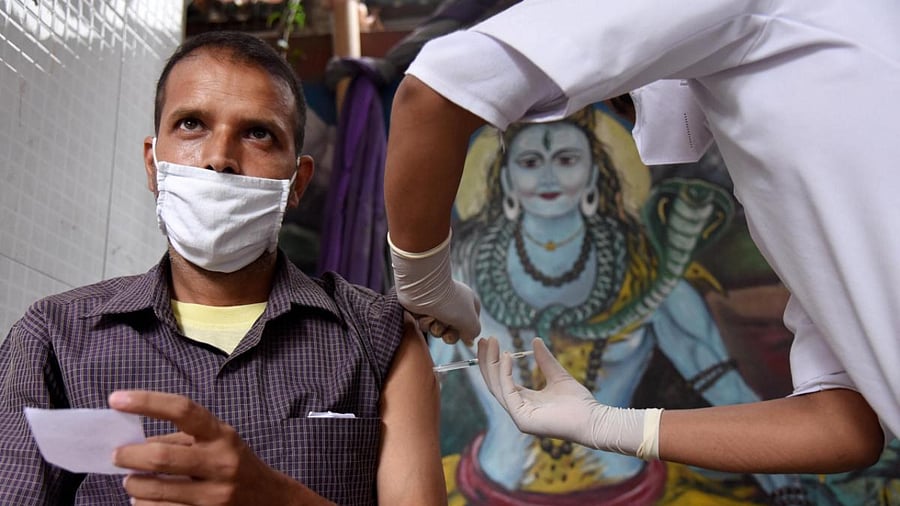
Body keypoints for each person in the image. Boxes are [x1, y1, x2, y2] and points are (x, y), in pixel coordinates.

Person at [384, 0, 895, 476]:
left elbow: (437, 90)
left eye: (566, 157)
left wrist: (424, 283)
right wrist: (604, 425)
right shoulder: (791, 160)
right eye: (529, 160)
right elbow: (842, 424)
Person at [0, 31, 446, 505]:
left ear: (298, 182)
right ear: (153, 165)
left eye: (258, 133)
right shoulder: (54, 339)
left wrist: (276, 499)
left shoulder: (379, 340)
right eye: (192, 124)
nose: (219, 159)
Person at [433, 106, 804, 503]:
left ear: (594, 174)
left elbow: (725, 388)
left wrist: (785, 487)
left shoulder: (647, 280)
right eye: (529, 161)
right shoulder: (459, 279)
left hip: (633, 488)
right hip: (486, 486)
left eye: (566, 159)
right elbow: (422, 387)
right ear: (505, 180)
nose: (548, 175)